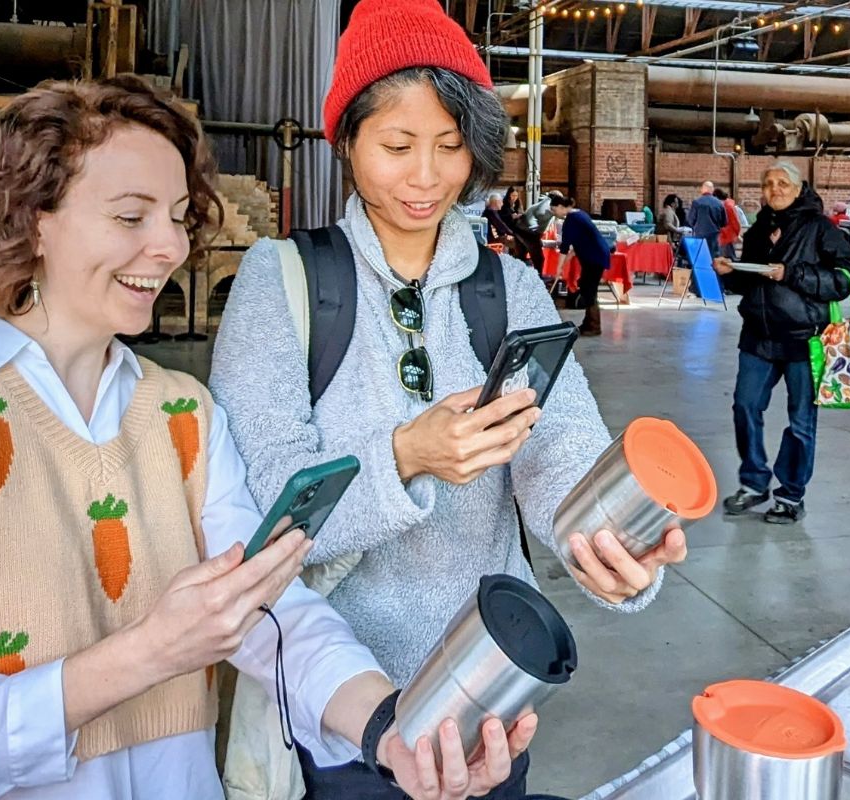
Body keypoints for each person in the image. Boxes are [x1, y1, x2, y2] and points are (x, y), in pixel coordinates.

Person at [0, 77, 532, 800]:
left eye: (176, 216)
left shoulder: (182, 414)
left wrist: (392, 729)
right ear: (33, 218)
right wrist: (142, 655)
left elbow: (272, 608)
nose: (171, 245)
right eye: (131, 216)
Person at [209, 1, 687, 794]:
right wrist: (405, 458)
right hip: (342, 716)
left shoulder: (513, 289)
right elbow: (264, 505)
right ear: (348, 141)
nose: (427, 177)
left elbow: (556, 445)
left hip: (494, 695)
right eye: (397, 146)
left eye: (451, 146)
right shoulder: (284, 281)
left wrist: (608, 538)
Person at [712, 160, 850, 524]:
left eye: (782, 184)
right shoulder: (761, 227)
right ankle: (754, 482)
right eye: (768, 184)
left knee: (801, 421)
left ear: (798, 188)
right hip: (759, 337)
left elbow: (846, 278)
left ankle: (791, 495)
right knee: (745, 406)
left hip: (804, 339)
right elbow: (752, 281)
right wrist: (732, 274)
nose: (774, 190)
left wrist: (792, 273)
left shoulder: (820, 228)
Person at [551, 194, 610, 336]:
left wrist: (559, 267)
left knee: (589, 290)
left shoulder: (571, 220)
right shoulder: (579, 214)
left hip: (594, 258)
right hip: (595, 255)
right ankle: (588, 323)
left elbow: (565, 247)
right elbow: (578, 241)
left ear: (560, 207)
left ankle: (594, 326)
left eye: (554, 210)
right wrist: (568, 259)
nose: (554, 213)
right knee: (585, 286)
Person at [688, 180, 727, 263]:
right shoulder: (719, 204)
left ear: (703, 189)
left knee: (700, 261)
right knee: (714, 262)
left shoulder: (697, 202)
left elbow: (690, 221)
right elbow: (724, 222)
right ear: (712, 190)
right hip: (715, 238)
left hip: (700, 237)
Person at [713, 188, 742, 259]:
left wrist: (736, 234)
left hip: (726, 236)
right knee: (728, 258)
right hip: (726, 236)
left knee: (728, 258)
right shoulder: (728, 205)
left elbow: (735, 222)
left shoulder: (727, 207)